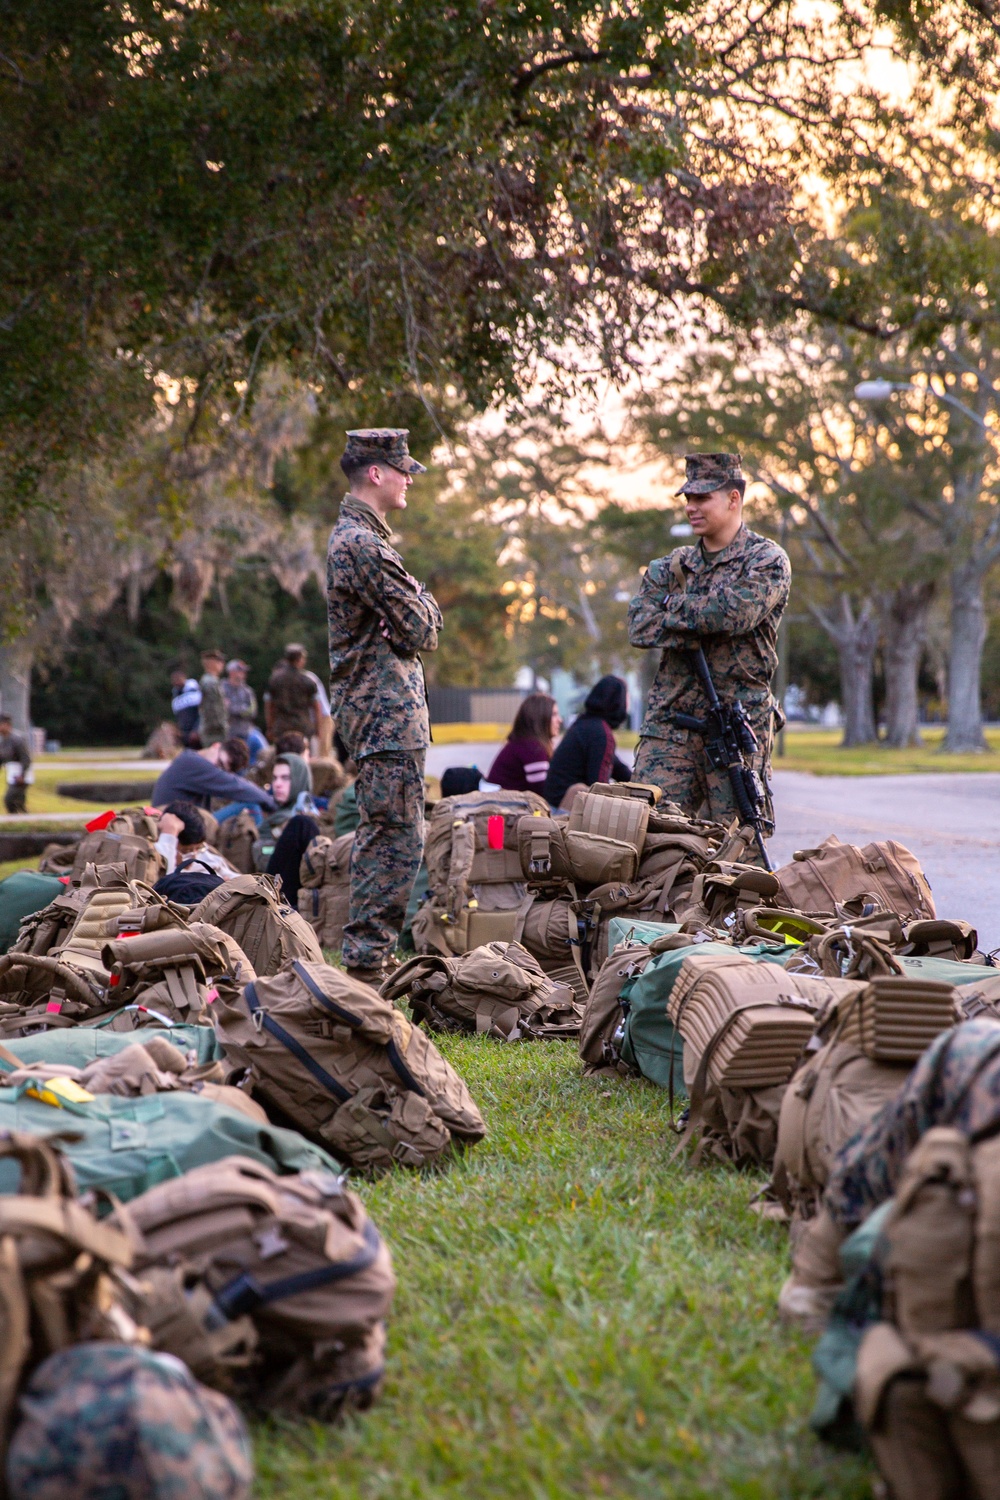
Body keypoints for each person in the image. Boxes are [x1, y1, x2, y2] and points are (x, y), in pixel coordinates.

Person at [326, 427, 442, 984]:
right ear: (377, 473)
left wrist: (413, 607)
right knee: (394, 838)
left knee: (393, 832)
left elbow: (411, 627)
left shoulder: (366, 541)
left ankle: (370, 962)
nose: (409, 481)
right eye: (403, 470)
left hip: (385, 714)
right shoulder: (363, 546)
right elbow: (420, 627)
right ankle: (368, 967)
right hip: (383, 715)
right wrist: (422, 600)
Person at [627, 451, 790, 828]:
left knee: (738, 842)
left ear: (734, 498)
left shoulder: (765, 560)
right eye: (688, 498)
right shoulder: (670, 568)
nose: (691, 507)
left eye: (702, 498)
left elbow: (735, 615)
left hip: (735, 723)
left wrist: (672, 611)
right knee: (647, 832)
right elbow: (639, 626)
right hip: (672, 723)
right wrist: (701, 618)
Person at [543, 677, 631, 810]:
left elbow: (619, 769)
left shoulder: (584, 724)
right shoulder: (601, 734)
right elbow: (600, 789)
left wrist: (641, 784)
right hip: (564, 811)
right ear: (618, 702)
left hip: (551, 804)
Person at [151, 737, 274, 817]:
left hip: (183, 823)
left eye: (223, 771)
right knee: (252, 805)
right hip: (173, 825)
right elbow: (239, 787)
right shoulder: (193, 763)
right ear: (216, 745)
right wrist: (272, 803)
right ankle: (261, 851)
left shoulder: (189, 758)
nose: (217, 770)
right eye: (219, 763)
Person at [260, 754, 321, 907]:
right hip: (270, 896)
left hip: (293, 901)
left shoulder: (306, 822)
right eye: (275, 778)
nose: (277, 784)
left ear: (300, 779)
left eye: (285, 778)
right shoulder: (272, 816)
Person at [487, 693, 560, 793]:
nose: (560, 720)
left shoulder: (522, 744)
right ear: (540, 718)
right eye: (554, 715)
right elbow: (545, 792)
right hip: (506, 806)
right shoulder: (532, 749)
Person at [154, 801, 240, 880]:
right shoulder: (164, 854)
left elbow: (231, 875)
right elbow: (165, 876)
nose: (194, 856)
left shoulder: (204, 856)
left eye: (199, 848)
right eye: (186, 851)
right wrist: (170, 833)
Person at [265, 644, 320, 742]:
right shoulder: (307, 681)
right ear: (300, 660)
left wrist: (270, 727)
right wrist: (318, 728)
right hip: (303, 727)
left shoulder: (275, 680)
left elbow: (270, 706)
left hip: (281, 727)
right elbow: (316, 708)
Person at [0, 714, 33, 815]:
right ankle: (24, 819)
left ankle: (15, 818)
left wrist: (22, 775)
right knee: (19, 803)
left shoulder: (17, 739)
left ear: (7, 725)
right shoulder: (3, 740)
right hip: (12, 774)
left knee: (9, 799)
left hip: (21, 774)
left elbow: (26, 758)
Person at [197, 649, 229, 747]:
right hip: (214, 731)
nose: (222, 664)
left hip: (213, 729)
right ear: (212, 663)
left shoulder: (211, 681)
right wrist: (221, 726)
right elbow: (213, 708)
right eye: (219, 661)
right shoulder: (210, 682)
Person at [302, 664, 335, 758]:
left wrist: (319, 728)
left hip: (323, 717)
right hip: (313, 720)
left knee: (323, 753)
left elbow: (318, 706)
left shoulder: (308, 679)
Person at [169, 668, 201, 744]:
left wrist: (196, 730)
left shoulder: (195, 692)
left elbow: (201, 713)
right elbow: (179, 716)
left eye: (177, 679)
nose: (176, 682)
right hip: (185, 733)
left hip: (196, 733)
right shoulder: (176, 696)